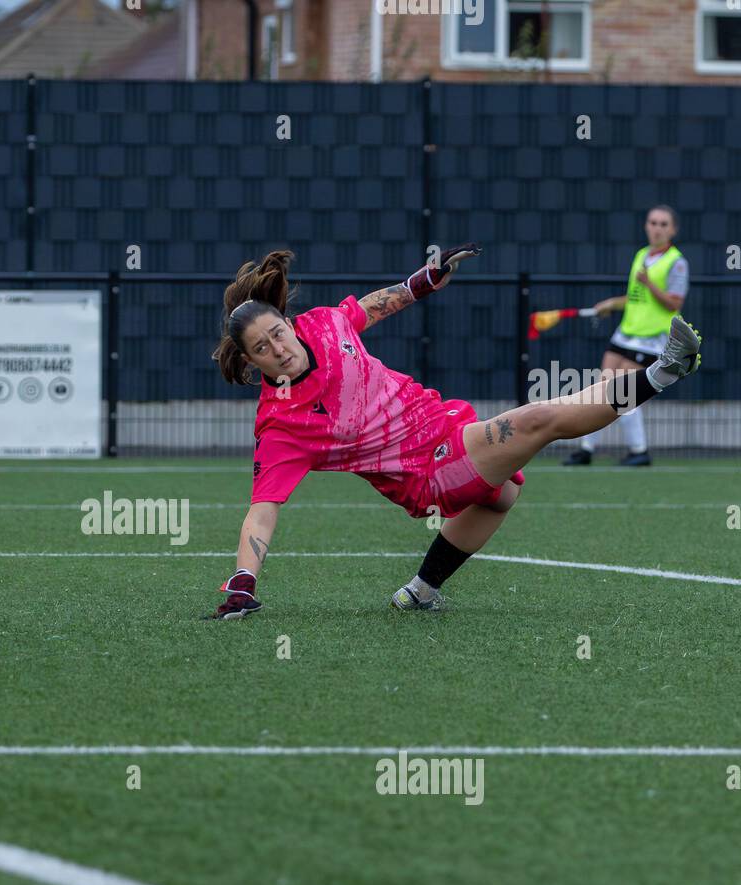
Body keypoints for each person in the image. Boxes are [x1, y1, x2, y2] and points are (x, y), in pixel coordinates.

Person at [206, 248, 702, 617]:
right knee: (538, 420)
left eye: (277, 333)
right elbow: (262, 510)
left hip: (442, 421)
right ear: (250, 362)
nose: (277, 348)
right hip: (425, 473)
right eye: (261, 348)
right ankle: (665, 370)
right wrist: (243, 581)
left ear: (289, 324)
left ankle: (421, 591)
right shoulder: (280, 424)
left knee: (501, 496)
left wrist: (421, 282)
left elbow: (373, 306)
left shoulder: (322, 323)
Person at [562, 206, 689, 467]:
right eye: (653, 223)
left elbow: (673, 304)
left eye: (664, 224)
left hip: (651, 338)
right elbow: (635, 299)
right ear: (646, 226)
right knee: (601, 388)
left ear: (673, 230)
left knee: (624, 392)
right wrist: (611, 303)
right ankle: (586, 448)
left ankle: (639, 450)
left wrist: (649, 283)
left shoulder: (677, 262)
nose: (657, 228)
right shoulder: (641, 255)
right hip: (625, 333)